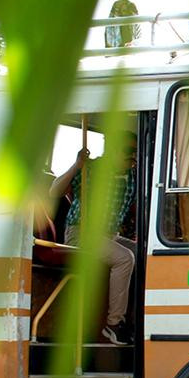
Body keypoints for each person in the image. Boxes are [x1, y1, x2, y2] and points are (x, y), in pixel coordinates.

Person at [50, 130, 137, 346]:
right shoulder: (91, 168)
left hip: (109, 236)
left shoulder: (134, 175)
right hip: (81, 233)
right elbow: (54, 191)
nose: (133, 155)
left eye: (135, 151)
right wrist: (76, 166)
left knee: (144, 255)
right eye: (128, 150)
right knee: (125, 258)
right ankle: (113, 325)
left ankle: (134, 320)